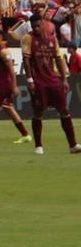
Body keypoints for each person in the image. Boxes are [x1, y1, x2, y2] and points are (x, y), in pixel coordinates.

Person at [21, 18, 78, 156]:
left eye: (37, 26)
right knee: (38, 112)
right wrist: (30, 80)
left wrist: (64, 79)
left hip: (53, 80)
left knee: (64, 109)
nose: (35, 29)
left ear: (43, 25)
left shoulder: (53, 39)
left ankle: (73, 145)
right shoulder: (28, 38)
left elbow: (58, 59)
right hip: (38, 81)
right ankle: (38, 145)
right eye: (33, 26)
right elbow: (26, 60)